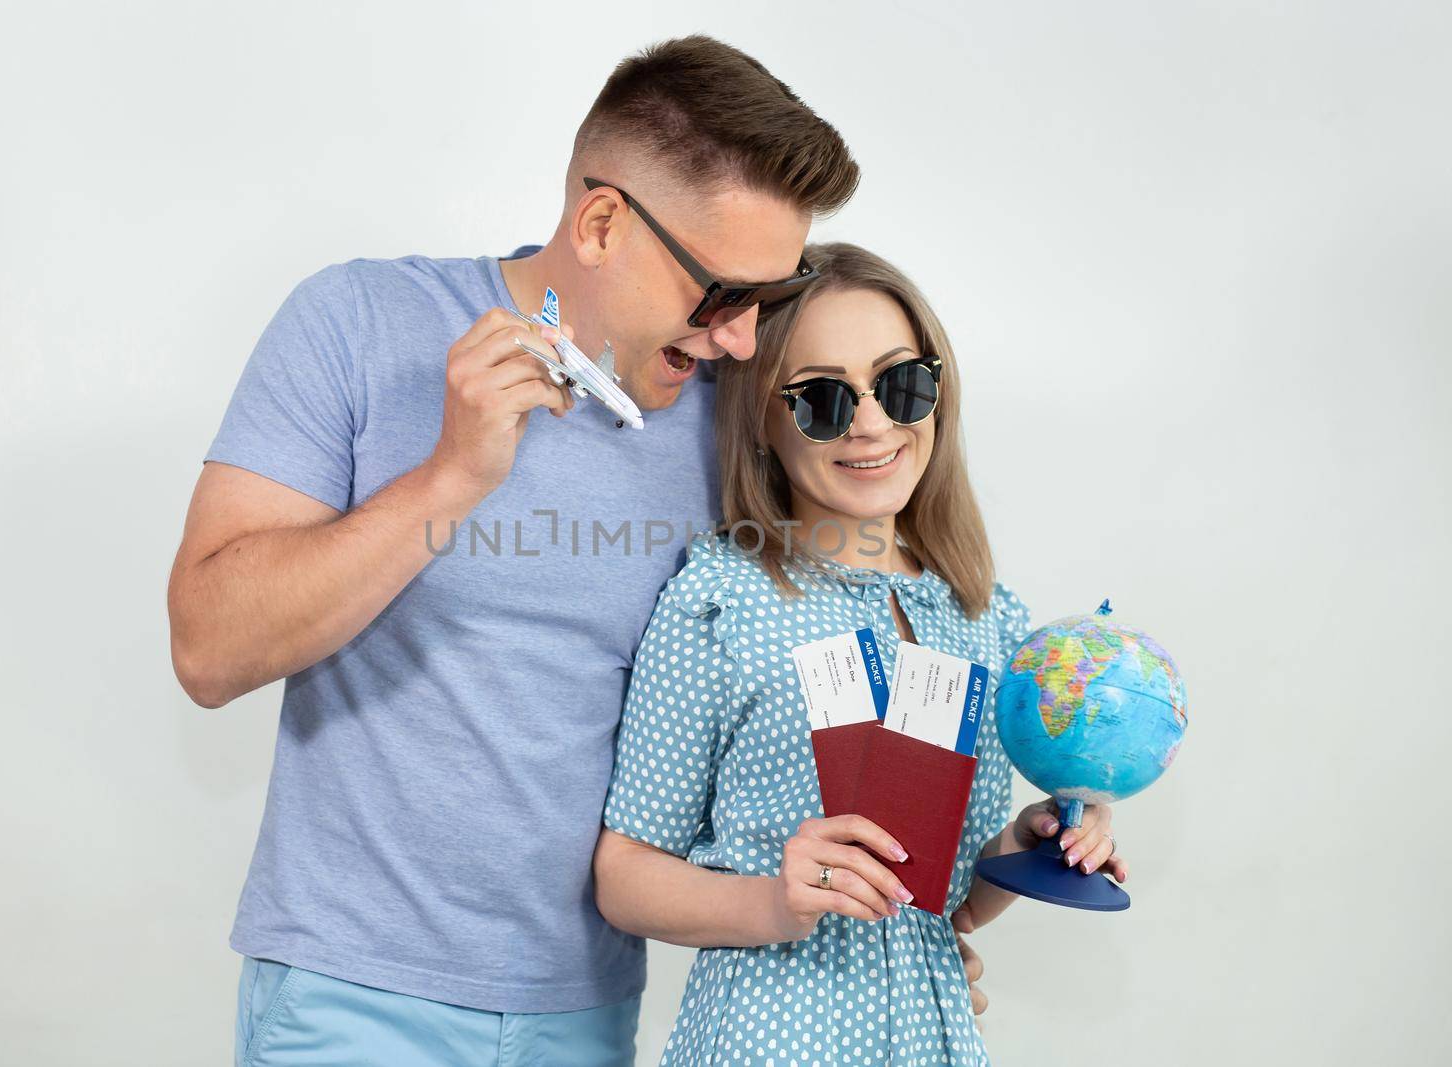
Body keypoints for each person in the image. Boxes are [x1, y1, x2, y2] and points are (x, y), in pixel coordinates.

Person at [166, 35, 866, 1066]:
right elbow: (206, 649)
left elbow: (802, 674)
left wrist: (961, 891)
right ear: (599, 224)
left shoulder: (735, 423)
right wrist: (450, 477)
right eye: (720, 295)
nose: (742, 339)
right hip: (351, 997)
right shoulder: (356, 322)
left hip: (582, 1011)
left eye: (769, 296)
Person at [592, 242, 1129, 1065]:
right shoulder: (723, 601)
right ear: (763, 423)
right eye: (822, 400)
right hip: (767, 1040)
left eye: (903, 382)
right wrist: (778, 900)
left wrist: (1024, 843)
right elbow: (624, 874)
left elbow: (947, 906)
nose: (874, 423)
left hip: (932, 1036)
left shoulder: (982, 617)